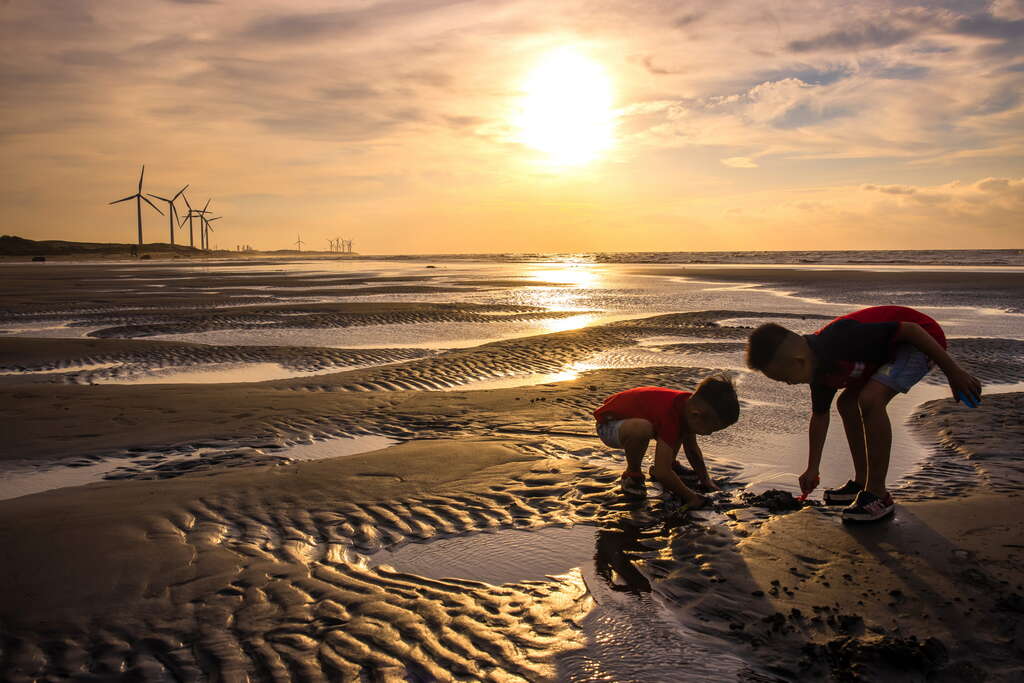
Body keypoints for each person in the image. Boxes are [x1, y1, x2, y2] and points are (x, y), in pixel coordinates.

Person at [745, 305, 982, 522]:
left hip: (922, 340)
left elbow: (911, 330)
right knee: (847, 404)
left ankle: (878, 493)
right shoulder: (818, 371)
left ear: (799, 362)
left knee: (870, 399)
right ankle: (861, 483)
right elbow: (820, 416)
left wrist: (953, 371)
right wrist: (812, 468)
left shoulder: (841, 339)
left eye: (785, 379)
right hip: (885, 354)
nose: (788, 384)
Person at [593, 375, 740, 509]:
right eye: (712, 429)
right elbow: (663, 472)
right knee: (642, 429)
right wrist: (691, 497)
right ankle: (632, 475)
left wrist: (705, 480)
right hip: (609, 424)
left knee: (680, 430)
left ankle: (670, 465)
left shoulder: (687, 408)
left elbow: (692, 450)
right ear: (697, 415)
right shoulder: (672, 415)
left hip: (639, 419)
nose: (709, 434)